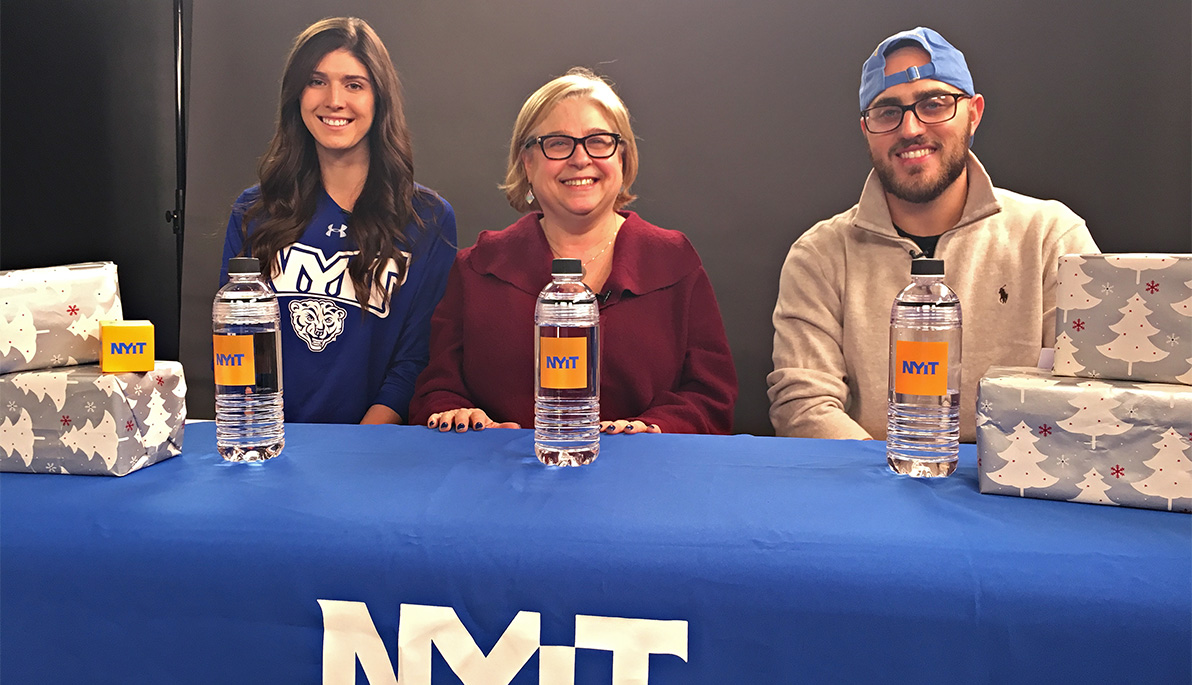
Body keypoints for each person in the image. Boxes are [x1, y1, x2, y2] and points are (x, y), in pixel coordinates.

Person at [768, 27, 1098, 442]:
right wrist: (894, 487)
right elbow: (804, 405)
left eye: (934, 103)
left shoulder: (1050, 237)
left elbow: (1089, 395)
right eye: (887, 111)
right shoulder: (819, 255)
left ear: (974, 113)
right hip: (869, 492)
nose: (910, 129)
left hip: (1014, 493)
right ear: (866, 129)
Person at [409, 68, 737, 435]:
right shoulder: (476, 269)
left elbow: (710, 395)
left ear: (623, 158)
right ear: (527, 163)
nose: (580, 159)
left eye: (599, 141)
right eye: (558, 143)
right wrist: (456, 413)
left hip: (644, 475)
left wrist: (654, 427)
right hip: (501, 477)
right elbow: (436, 387)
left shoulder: (674, 261)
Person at [221, 17, 456, 424]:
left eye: (353, 84)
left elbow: (415, 357)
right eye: (316, 81)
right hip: (270, 447)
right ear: (296, 95)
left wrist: (359, 447)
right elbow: (236, 346)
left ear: (378, 99)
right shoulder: (254, 212)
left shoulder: (428, 219)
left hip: (372, 455)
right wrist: (259, 440)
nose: (334, 100)